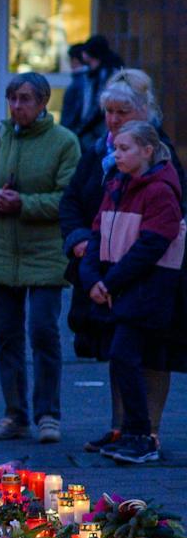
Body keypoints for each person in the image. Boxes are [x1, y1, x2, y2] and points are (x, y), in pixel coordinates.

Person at [58, 70, 182, 452]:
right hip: (103, 269)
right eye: (108, 111)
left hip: (145, 278)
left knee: (152, 353)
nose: (112, 120)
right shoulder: (98, 152)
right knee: (116, 350)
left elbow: (164, 227)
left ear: (144, 112)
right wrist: (81, 243)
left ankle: (147, 431)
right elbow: (74, 202)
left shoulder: (158, 159)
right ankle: (121, 429)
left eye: (122, 112)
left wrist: (110, 272)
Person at [0, 72, 79, 444]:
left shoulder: (64, 142)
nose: (18, 106)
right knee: (7, 337)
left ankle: (48, 413)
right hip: (2, 250)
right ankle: (14, 414)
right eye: (13, 99)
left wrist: (25, 204)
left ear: (43, 102)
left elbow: (69, 198)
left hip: (45, 253)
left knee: (44, 332)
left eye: (26, 99)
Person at [81, 120, 180, 465]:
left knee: (126, 355)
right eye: (116, 148)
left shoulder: (160, 190)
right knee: (122, 357)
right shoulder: (116, 184)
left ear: (147, 151)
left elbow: (151, 245)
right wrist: (91, 276)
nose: (116, 154)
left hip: (146, 288)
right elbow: (97, 233)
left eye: (125, 149)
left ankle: (141, 436)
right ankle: (133, 433)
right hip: (119, 286)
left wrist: (110, 282)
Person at [68, 36, 124, 152]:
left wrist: (81, 128)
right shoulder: (96, 73)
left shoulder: (106, 74)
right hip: (96, 130)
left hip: (99, 131)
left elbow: (97, 106)